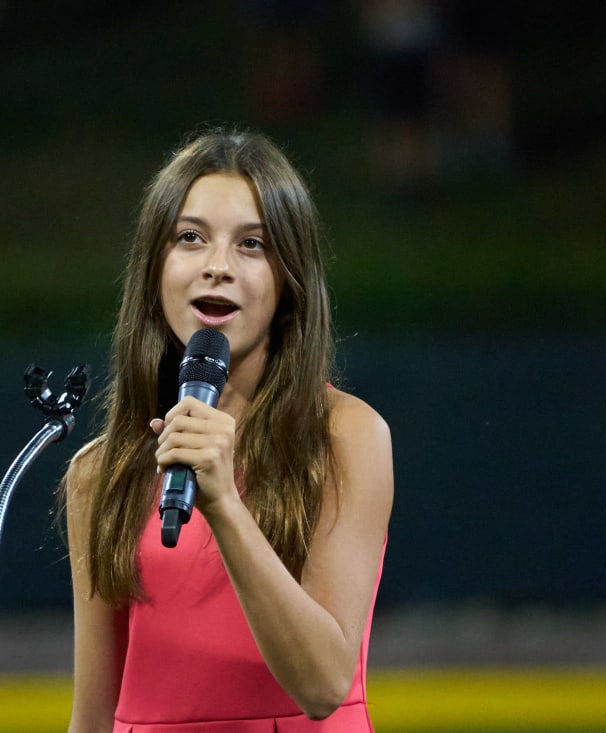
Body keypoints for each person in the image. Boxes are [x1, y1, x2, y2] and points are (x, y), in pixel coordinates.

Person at [62, 128, 394, 732]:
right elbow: (92, 717)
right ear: (155, 268)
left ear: (289, 279)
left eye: (252, 244)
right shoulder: (97, 473)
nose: (217, 267)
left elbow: (323, 685)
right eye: (190, 238)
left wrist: (223, 503)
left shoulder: (347, 437)